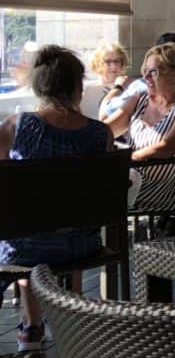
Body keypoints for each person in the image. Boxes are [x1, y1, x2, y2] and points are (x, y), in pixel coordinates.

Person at [0, 45, 112, 353]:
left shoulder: (16, 125)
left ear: (39, 85)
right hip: (83, 244)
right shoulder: (100, 133)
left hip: (27, 249)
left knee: (25, 231)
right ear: (77, 86)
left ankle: (32, 328)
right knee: (63, 219)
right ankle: (70, 320)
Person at [103, 43, 175, 211]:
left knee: (89, 192)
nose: (146, 78)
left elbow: (167, 147)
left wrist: (127, 159)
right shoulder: (140, 99)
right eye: (145, 72)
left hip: (157, 191)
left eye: (153, 72)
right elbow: (106, 130)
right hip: (128, 176)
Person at [81, 42, 129, 119]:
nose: (113, 66)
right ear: (97, 63)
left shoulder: (131, 87)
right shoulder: (85, 89)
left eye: (117, 61)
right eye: (108, 62)